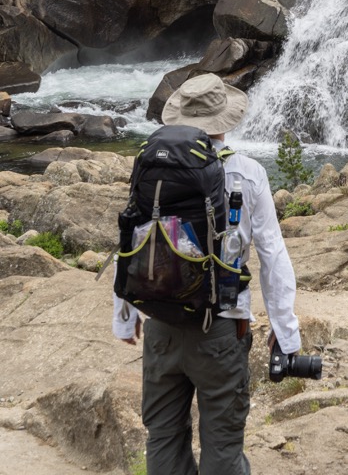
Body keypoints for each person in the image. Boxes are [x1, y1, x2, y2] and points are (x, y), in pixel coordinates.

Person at [112, 73, 302, 475]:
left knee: (162, 438)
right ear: (225, 120)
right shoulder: (247, 173)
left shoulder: (152, 165)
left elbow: (133, 237)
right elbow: (273, 254)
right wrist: (286, 333)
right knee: (222, 448)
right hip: (221, 328)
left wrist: (124, 316)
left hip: (161, 322)